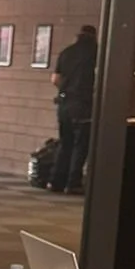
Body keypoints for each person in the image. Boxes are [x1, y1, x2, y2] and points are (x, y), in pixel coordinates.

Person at [50, 24, 97, 193]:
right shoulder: (96, 53)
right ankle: (73, 183)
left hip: (64, 104)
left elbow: (55, 79)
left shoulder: (66, 52)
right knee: (80, 144)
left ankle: (55, 181)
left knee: (65, 142)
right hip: (83, 105)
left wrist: (66, 89)